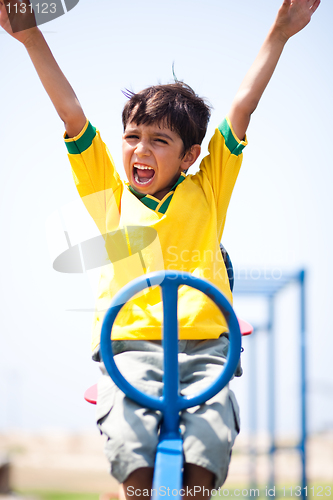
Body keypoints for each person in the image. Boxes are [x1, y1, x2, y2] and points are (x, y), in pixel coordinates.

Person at [0, 0, 320, 497]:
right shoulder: (108, 197)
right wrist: (30, 37)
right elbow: (71, 113)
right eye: (132, 136)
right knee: (133, 449)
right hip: (128, 349)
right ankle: (136, 493)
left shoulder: (208, 189)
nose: (140, 150)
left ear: (191, 155)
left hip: (205, 349)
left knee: (209, 444)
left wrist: (278, 33)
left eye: (159, 140)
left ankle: (194, 492)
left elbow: (242, 108)